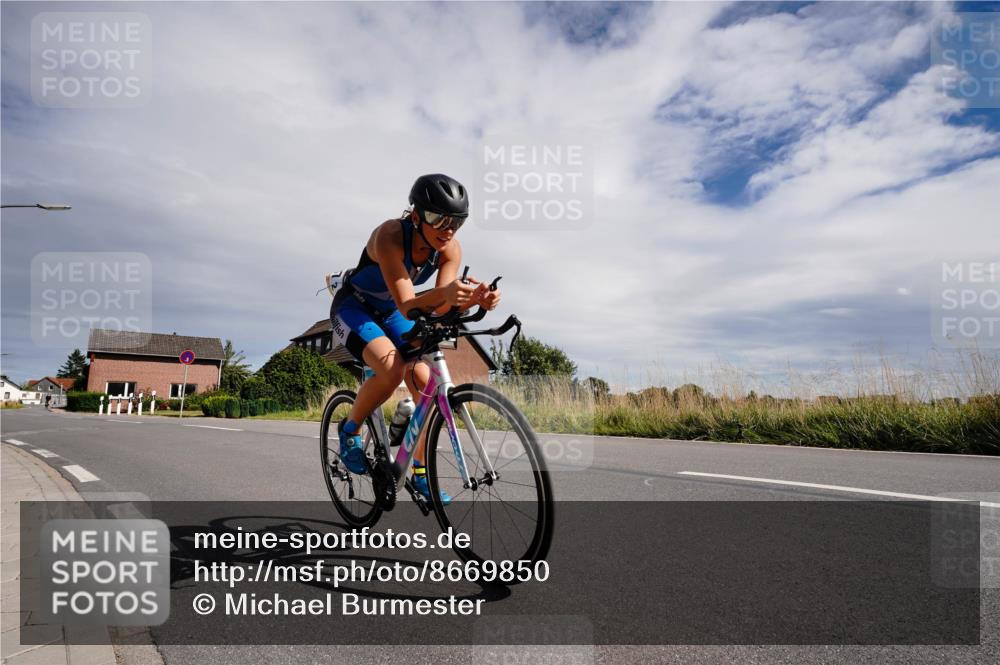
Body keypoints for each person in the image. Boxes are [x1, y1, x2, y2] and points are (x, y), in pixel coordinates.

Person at [330, 174, 501, 504]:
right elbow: (409, 304)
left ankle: (419, 471)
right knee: (392, 369)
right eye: (439, 218)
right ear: (417, 214)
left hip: (392, 311)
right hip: (355, 307)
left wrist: (475, 298)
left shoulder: (450, 249)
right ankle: (349, 431)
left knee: (426, 383)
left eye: (457, 222)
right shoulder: (390, 235)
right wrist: (449, 295)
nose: (447, 229)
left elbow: (442, 300)